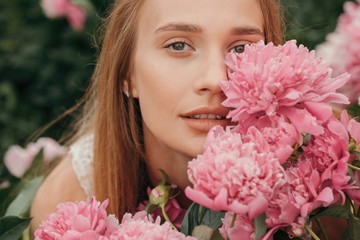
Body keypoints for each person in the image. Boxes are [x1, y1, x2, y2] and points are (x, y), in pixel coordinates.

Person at [30, 0, 284, 231]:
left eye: (241, 48)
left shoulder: (313, 189)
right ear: (127, 73)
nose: (216, 80)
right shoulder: (69, 204)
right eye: (178, 45)